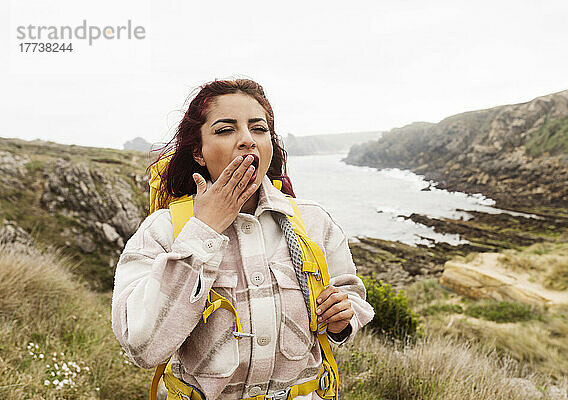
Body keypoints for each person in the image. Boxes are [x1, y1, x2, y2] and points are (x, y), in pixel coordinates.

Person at [111, 78, 374, 400]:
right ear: (198, 152)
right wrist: (204, 231)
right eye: (225, 130)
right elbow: (142, 347)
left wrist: (343, 319)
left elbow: (350, 292)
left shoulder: (313, 220)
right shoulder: (163, 230)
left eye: (259, 129)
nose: (247, 140)